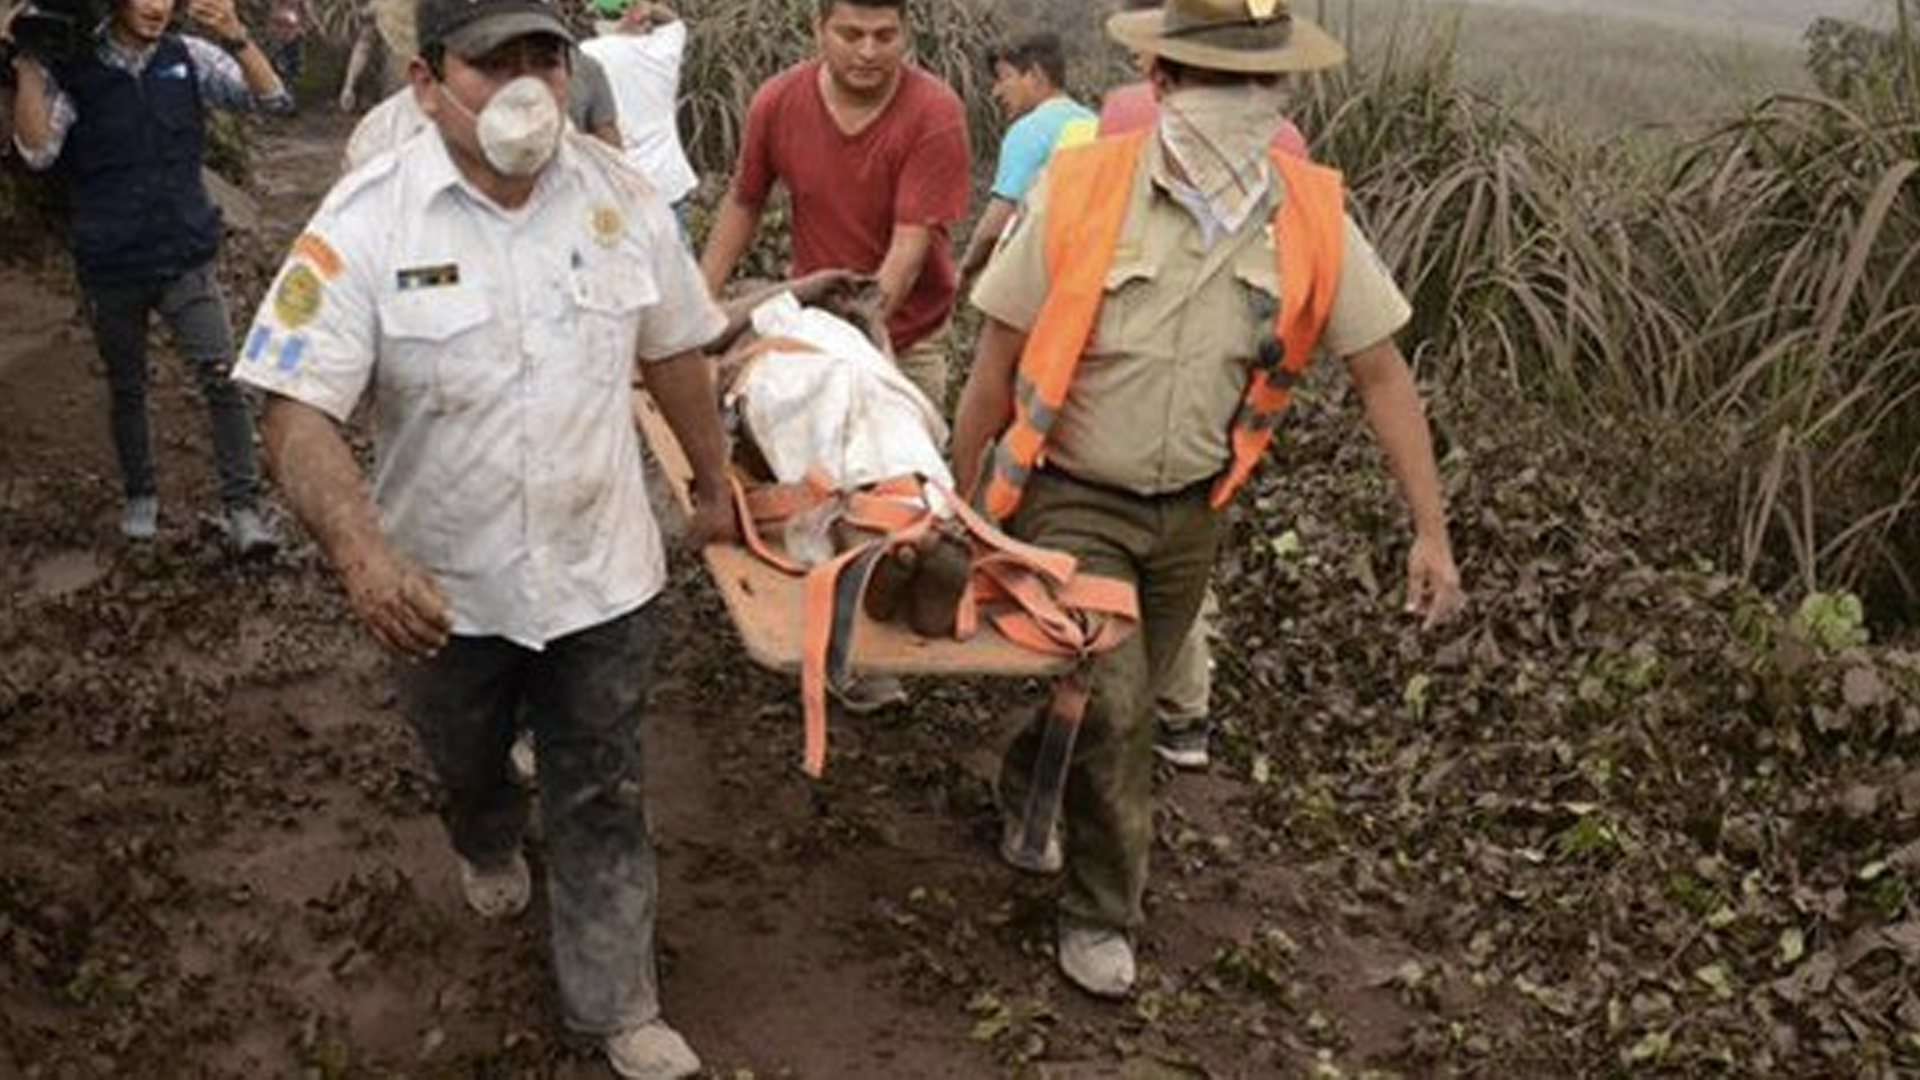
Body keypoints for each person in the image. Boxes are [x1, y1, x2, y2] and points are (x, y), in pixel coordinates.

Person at [232, 0, 734, 1073]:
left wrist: (714, 483)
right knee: (467, 762)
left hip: (603, 572)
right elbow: (292, 406)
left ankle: (618, 1003)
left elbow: (678, 349)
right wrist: (363, 556)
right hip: (442, 591)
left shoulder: (624, 200)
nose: (524, 88)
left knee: (602, 784)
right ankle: (486, 830)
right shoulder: (369, 218)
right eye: (492, 61)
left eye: (545, 59)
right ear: (426, 82)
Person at [949, 0, 1466, 999]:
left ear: (1282, 94)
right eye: (1215, 79)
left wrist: (1431, 533)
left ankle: (1027, 785)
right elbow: (997, 355)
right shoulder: (1084, 185)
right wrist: (968, 502)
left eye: (1258, 84)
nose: (1239, 102)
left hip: (1193, 510)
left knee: (1097, 694)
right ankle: (1103, 914)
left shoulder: (1309, 211)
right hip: (1071, 494)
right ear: (1163, 82)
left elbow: (1382, 373)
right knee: (1123, 698)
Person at [1103, 0, 1312, 770]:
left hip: (1147, 428)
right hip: (1211, 426)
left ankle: (1130, 721)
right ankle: (1179, 716)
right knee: (1176, 585)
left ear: (1158, 66)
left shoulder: (1123, 115)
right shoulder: (1286, 143)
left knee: (1127, 603)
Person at [5, 0, 286, 553]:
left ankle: (243, 510)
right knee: (127, 387)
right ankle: (141, 496)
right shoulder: (75, 69)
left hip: (185, 255)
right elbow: (37, 152)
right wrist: (25, 63)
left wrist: (236, 36)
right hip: (111, 262)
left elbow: (273, 101)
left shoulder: (190, 57)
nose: (158, 5)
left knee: (221, 378)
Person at [698, 0, 970, 413]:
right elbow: (743, 202)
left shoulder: (934, 113)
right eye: (850, 34)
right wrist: (699, 308)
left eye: (884, 36)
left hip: (907, 336)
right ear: (818, 28)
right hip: (810, 324)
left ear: (905, 33)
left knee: (905, 464)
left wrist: (858, 346)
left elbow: (907, 252)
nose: (867, 52)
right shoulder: (776, 102)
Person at [957, 31, 1095, 281]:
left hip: (1052, 276)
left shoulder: (1029, 130)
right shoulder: (1096, 122)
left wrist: (963, 272)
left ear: (1035, 76)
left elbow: (995, 225)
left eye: (1003, 78)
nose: (996, 92)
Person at [577, 0, 697, 230]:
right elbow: (674, 23)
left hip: (619, 190)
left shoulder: (587, 54)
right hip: (668, 186)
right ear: (633, 13)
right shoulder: (664, 50)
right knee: (676, 264)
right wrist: (648, 7)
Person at [336, 0, 412, 113]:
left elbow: (364, 45)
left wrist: (349, 85)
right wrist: (349, 85)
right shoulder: (377, 9)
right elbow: (364, 45)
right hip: (397, 86)